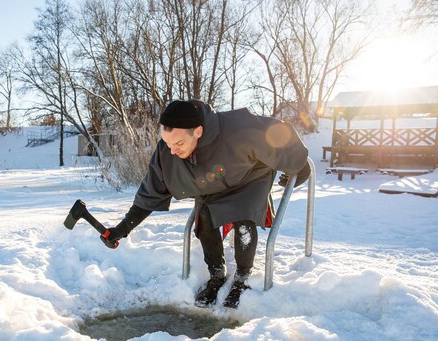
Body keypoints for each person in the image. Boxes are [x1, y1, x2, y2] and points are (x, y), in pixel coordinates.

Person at [100, 100, 310, 308]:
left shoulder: (238, 128)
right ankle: (216, 276)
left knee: (243, 222)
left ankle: (241, 279)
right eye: (167, 142)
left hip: (249, 178)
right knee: (205, 220)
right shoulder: (169, 151)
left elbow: (277, 133)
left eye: (179, 143)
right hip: (211, 185)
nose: (172, 150)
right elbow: (150, 194)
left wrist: (299, 165)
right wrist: (122, 229)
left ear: (198, 131)